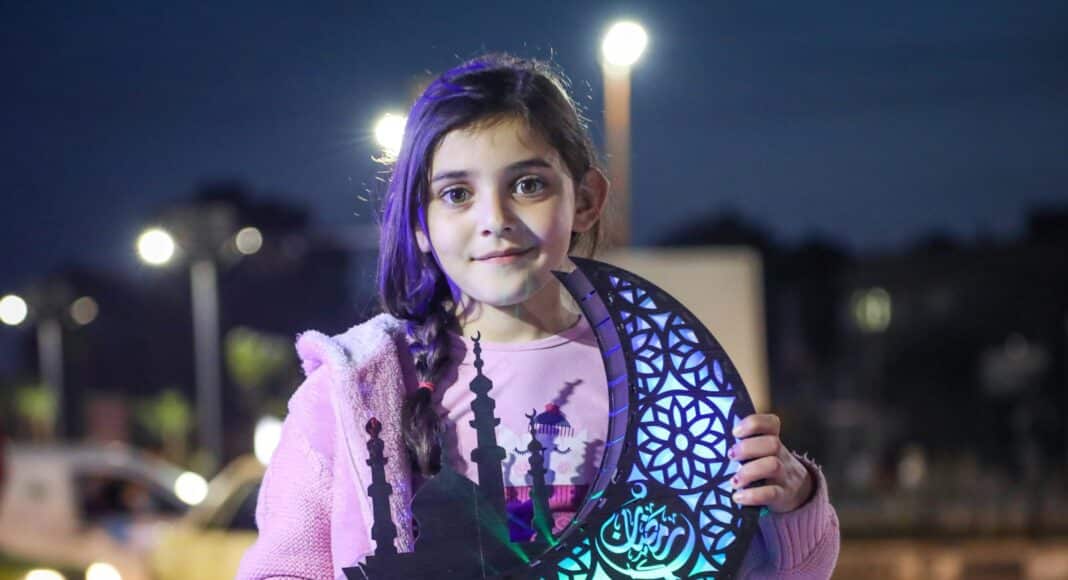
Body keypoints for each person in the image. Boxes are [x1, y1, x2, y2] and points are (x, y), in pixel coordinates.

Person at [238, 53, 839, 579]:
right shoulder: (351, 393)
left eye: (527, 184)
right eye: (456, 194)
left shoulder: (672, 384)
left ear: (586, 199)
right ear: (419, 222)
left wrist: (794, 503)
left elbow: (760, 569)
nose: (494, 217)